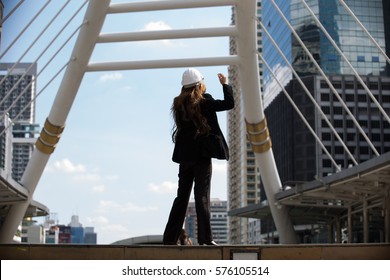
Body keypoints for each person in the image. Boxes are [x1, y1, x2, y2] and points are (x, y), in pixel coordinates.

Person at [163, 68, 234, 245]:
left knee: (181, 198)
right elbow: (229, 103)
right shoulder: (205, 101)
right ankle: (205, 239)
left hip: (185, 157)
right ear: (199, 84)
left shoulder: (178, 104)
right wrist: (225, 84)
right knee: (202, 195)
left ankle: (169, 239)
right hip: (202, 156)